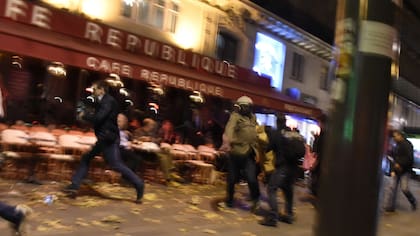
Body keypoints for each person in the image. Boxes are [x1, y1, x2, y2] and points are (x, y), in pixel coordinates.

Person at [62, 80, 144, 204]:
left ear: (102, 89)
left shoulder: (108, 101)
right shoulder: (103, 101)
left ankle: (139, 184)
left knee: (115, 164)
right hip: (104, 138)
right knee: (87, 158)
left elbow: (100, 118)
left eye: (94, 89)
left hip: (108, 138)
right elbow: (99, 116)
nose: (93, 91)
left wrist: (85, 116)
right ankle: (74, 186)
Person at [259, 114, 304, 227]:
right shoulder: (293, 134)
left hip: (283, 166)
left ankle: (273, 217)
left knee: (271, 189)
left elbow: (268, 148)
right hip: (294, 168)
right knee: (288, 189)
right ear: (285, 122)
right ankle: (289, 215)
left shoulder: (276, 133)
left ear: (277, 122)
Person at [219, 96, 260, 212]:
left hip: (249, 153)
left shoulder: (253, 118)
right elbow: (229, 129)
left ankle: (256, 201)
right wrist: (227, 141)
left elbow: (256, 133)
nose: (248, 109)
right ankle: (229, 202)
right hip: (236, 153)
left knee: (252, 179)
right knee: (231, 179)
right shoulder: (235, 117)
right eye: (246, 106)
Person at [134, 118, 183, 185]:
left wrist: (151, 139)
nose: (153, 127)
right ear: (147, 125)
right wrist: (141, 140)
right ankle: (168, 179)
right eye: (152, 125)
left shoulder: (152, 133)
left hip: (154, 150)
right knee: (162, 157)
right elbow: (134, 142)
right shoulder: (138, 132)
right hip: (145, 153)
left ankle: (171, 172)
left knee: (167, 151)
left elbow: (159, 140)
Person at [384, 130, 417, 212]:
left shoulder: (407, 145)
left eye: (395, 136)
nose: (394, 138)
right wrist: (392, 169)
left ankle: (413, 201)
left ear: (400, 136)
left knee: (404, 188)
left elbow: (409, 158)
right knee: (392, 188)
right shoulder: (396, 145)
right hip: (397, 170)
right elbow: (392, 158)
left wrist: (400, 164)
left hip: (405, 171)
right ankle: (390, 207)